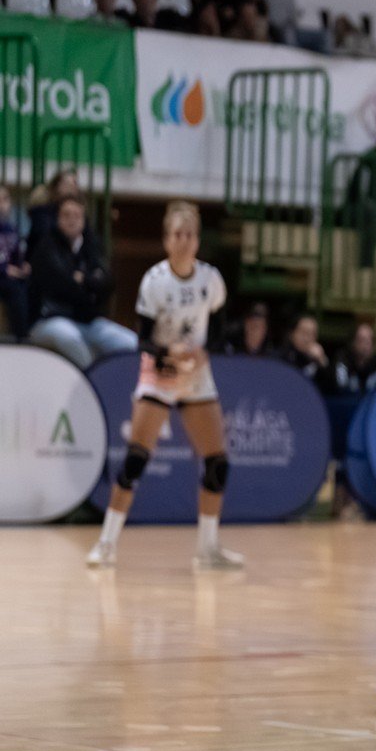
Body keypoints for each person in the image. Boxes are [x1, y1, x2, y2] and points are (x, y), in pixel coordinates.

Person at [87, 203, 243, 571]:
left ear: (197, 240)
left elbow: (219, 332)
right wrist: (167, 353)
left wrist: (204, 354)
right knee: (137, 458)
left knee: (217, 463)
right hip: (159, 373)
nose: (184, 241)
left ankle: (208, 548)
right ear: (166, 239)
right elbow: (142, 341)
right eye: (177, 235)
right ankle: (106, 543)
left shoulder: (210, 280)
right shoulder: (155, 281)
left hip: (195, 375)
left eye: (189, 235)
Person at [28, 196, 135, 368]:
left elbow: (108, 283)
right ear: (57, 219)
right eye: (66, 215)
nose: (72, 220)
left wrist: (83, 279)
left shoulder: (91, 246)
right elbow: (62, 284)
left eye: (77, 215)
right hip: (49, 319)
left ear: (84, 220)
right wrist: (90, 284)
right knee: (70, 338)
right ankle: (93, 384)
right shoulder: (46, 247)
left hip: (87, 321)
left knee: (129, 343)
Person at [278, 313, 336, 394]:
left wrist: (322, 361)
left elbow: (333, 389)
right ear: (292, 334)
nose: (307, 338)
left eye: (312, 334)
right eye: (304, 332)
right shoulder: (281, 358)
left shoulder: (318, 360)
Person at [0, 186, 28, 339]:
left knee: (25, 285)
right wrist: (4, 269)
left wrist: (22, 266)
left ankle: (26, 332)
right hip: (3, 275)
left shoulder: (11, 229)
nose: (1, 204)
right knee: (14, 288)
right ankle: (21, 335)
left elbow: (17, 255)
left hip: (10, 278)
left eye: (4, 199)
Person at [334, 322, 376, 396]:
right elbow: (341, 389)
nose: (367, 344)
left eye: (370, 340)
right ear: (353, 342)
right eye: (362, 340)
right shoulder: (344, 361)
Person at [122, 0, 188, 32]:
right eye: (141, 0)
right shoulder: (128, 22)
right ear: (134, 2)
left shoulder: (170, 17)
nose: (145, 4)